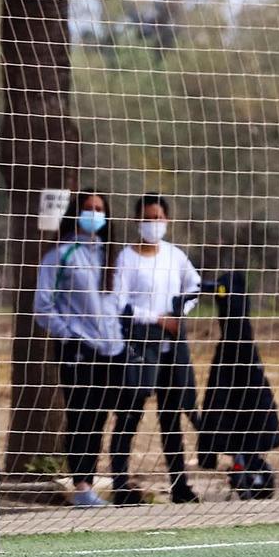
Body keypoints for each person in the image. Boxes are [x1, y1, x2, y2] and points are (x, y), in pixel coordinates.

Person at [35, 189, 126, 507]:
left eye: (100, 209)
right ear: (76, 213)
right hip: (78, 349)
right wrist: (69, 336)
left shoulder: (112, 255)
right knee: (80, 416)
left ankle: (106, 480)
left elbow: (118, 304)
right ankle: (81, 486)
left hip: (113, 349)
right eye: (88, 208)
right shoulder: (61, 255)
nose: (94, 214)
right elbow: (42, 306)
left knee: (101, 416)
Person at [110, 194, 202, 504]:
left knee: (171, 415)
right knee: (130, 412)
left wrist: (179, 313)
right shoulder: (127, 257)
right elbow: (120, 303)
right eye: (148, 217)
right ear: (138, 220)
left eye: (159, 217)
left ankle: (180, 484)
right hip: (139, 343)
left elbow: (195, 286)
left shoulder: (175, 256)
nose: (154, 223)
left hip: (171, 347)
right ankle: (120, 483)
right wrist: (155, 319)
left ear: (167, 220)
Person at [195, 270, 279, 499]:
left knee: (241, 404)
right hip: (233, 362)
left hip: (240, 364)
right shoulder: (234, 345)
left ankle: (246, 464)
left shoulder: (241, 342)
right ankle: (241, 462)